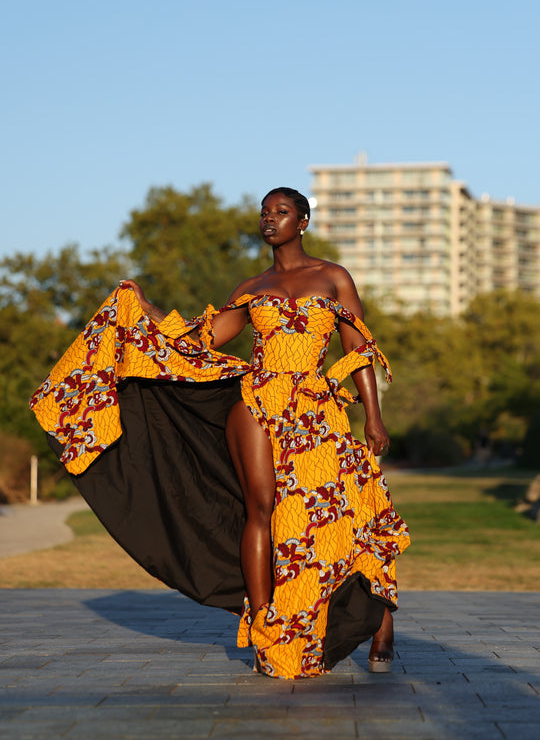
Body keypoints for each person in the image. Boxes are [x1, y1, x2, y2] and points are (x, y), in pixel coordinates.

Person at [30, 187, 409, 679]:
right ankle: (266, 630)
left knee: (347, 513)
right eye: (264, 213)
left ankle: (380, 618)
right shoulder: (252, 287)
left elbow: (357, 346)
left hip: (317, 409)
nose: (270, 220)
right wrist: (145, 311)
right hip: (257, 402)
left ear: (303, 222)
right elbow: (202, 339)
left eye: (282, 213)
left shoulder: (332, 277)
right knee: (261, 511)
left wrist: (373, 416)